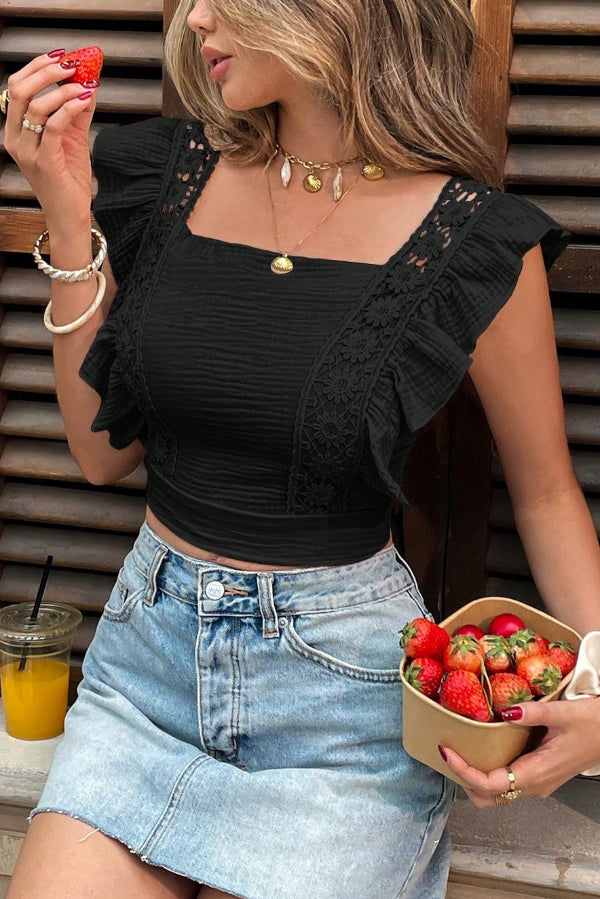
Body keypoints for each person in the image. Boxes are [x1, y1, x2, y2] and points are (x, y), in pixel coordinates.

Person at [3, 1, 600, 897]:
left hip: (341, 711)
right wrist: (63, 206)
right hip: (144, 679)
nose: (197, 17)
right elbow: (99, 454)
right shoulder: (162, 175)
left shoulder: (475, 240)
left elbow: (547, 493)